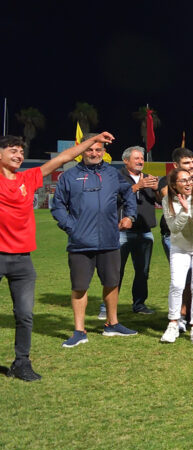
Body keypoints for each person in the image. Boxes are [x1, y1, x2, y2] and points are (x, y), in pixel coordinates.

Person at [1, 132, 115, 379]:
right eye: (12, 150)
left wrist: (93, 139)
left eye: (21, 151)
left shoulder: (28, 178)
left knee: (24, 314)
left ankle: (21, 363)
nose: (18, 155)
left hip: (23, 260)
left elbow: (65, 157)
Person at [52, 133, 139, 347]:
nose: (94, 153)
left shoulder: (112, 174)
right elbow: (57, 206)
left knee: (111, 283)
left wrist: (130, 216)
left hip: (109, 240)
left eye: (98, 149)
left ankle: (112, 324)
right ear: (82, 150)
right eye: (90, 149)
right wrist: (73, 228)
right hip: (80, 243)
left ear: (104, 152)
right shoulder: (69, 177)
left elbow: (128, 194)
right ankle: (79, 331)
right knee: (80, 286)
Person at [160, 168, 193, 344]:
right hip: (180, 246)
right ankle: (173, 323)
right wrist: (184, 211)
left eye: (190, 179)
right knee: (177, 284)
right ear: (174, 185)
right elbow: (174, 228)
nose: (188, 183)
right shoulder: (167, 199)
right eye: (183, 181)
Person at [115, 145, 157, 315]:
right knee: (116, 271)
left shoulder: (149, 178)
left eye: (142, 158)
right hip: (121, 232)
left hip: (145, 231)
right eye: (137, 158)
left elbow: (160, 199)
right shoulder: (117, 177)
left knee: (143, 271)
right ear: (126, 161)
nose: (141, 161)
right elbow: (113, 198)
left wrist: (156, 190)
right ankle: (108, 307)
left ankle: (139, 304)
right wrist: (137, 186)